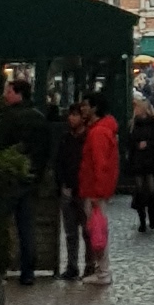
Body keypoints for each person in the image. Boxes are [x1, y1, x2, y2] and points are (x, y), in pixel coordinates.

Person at [5, 77, 52, 284]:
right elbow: (46, 150)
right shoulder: (39, 118)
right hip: (31, 178)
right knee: (26, 226)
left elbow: (0, 145)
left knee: (2, 222)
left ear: (18, 94)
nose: (5, 95)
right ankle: (28, 271)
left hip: (11, 177)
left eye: (9, 91)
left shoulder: (9, 118)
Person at [80, 94, 120, 273]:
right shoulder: (101, 130)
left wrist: (98, 192)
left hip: (94, 190)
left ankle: (102, 269)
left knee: (97, 229)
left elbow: (100, 164)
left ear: (94, 108)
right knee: (98, 228)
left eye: (85, 105)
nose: (83, 109)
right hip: (95, 188)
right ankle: (101, 268)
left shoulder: (98, 132)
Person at [55, 101, 91, 276]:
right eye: (70, 115)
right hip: (68, 188)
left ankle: (89, 265)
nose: (71, 118)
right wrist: (61, 183)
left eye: (75, 115)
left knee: (87, 231)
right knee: (70, 232)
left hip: (83, 189)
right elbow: (59, 162)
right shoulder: (65, 138)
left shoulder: (88, 138)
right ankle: (72, 265)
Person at [128, 103, 154, 233]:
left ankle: (153, 215)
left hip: (151, 162)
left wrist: (148, 144)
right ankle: (142, 220)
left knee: (152, 191)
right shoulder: (134, 125)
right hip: (138, 162)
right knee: (140, 192)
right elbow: (130, 143)